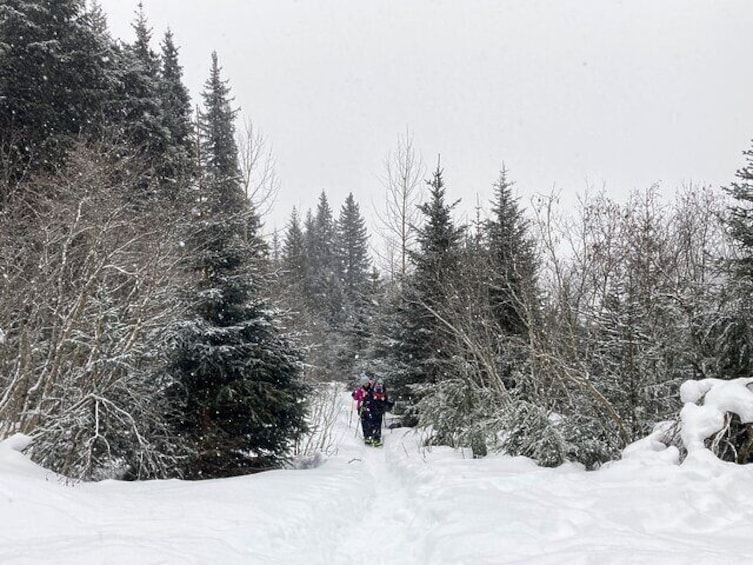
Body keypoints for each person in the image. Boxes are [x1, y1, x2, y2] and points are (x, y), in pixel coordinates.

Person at [353, 373, 392, 446]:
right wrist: (356, 395)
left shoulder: (373, 387)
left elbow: (377, 396)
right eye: (364, 383)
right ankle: (367, 436)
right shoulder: (360, 390)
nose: (366, 384)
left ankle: (375, 437)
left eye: (366, 382)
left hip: (373, 407)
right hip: (362, 407)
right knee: (365, 422)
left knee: (374, 422)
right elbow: (355, 397)